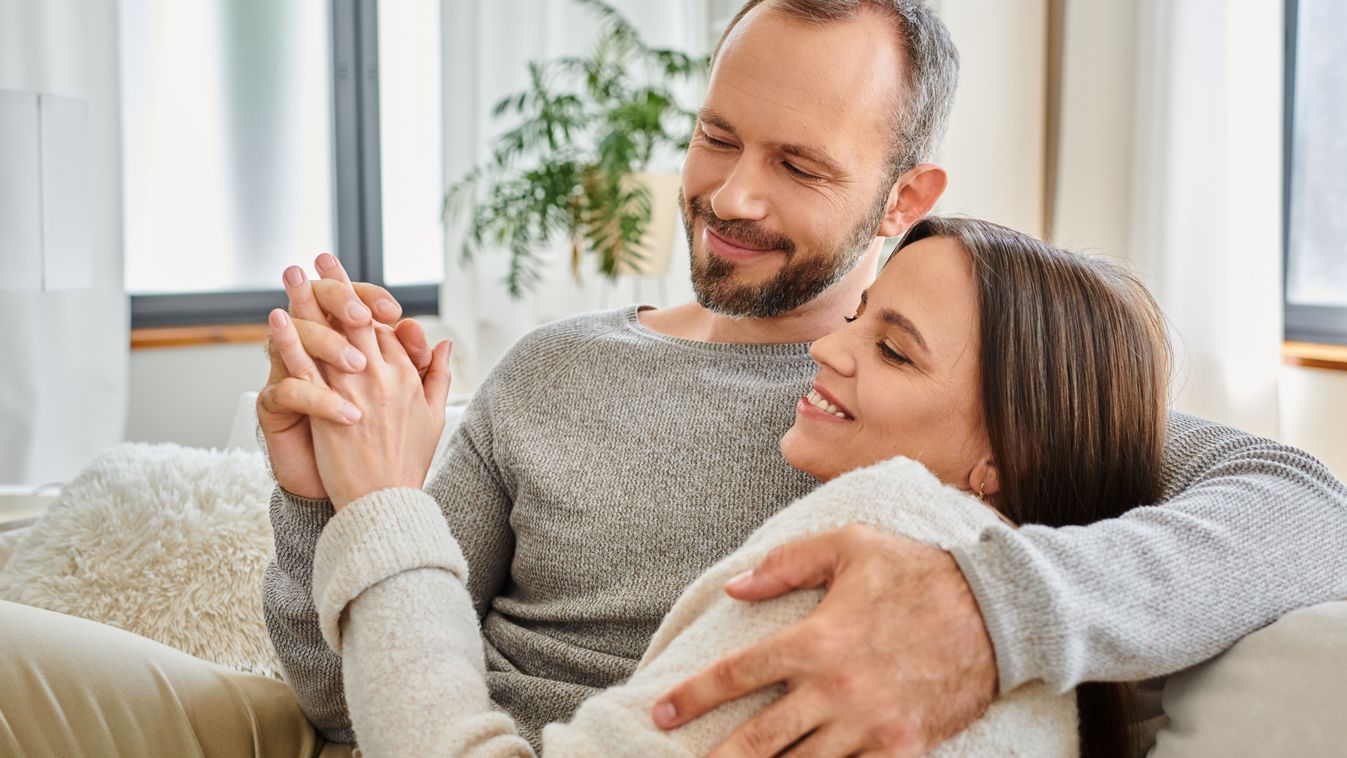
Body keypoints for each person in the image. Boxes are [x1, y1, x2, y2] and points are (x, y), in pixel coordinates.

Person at [259, 2, 1347, 756]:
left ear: (901, 195)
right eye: (716, 137)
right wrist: (325, 494)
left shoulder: (974, 397)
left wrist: (989, 612)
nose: (731, 197)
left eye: (800, 164)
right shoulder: (554, 371)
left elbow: (1309, 512)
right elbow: (344, 692)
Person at [287, 216, 1170, 757]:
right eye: (861, 316)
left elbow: (1300, 493)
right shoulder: (1041, 635)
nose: (827, 349)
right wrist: (322, 503)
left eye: (893, 349)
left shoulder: (876, 566)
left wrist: (378, 506)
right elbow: (332, 694)